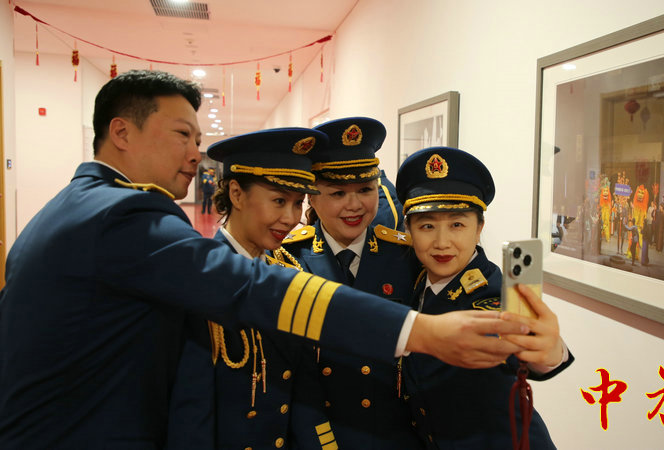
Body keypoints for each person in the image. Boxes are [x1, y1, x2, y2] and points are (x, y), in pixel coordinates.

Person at [0, 70, 530, 448]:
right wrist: (423, 332)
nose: (195, 154)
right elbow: (249, 290)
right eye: (182, 135)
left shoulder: (81, 205)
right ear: (121, 132)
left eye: (197, 139)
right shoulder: (119, 214)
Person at [169, 128, 339, 449]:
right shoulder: (201, 283)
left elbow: (304, 388)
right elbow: (190, 409)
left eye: (298, 203)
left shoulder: (289, 271)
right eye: (279, 201)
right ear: (236, 194)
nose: (290, 218)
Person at [396, 147, 574, 449]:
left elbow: (515, 339)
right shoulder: (414, 281)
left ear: (479, 228)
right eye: (427, 226)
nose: (442, 242)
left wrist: (551, 351)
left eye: (457, 224)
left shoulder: (492, 293)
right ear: (409, 230)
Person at [277, 117, 424, 448]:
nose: (354, 205)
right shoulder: (288, 261)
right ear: (311, 198)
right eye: (338, 193)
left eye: (365, 190)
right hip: (318, 435)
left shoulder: (406, 257)